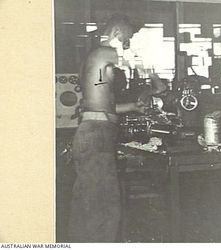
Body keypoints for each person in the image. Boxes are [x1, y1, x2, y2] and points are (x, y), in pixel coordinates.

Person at [68, 14, 166, 242]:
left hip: (95, 132)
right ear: (117, 34)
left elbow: (103, 104)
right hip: (96, 135)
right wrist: (157, 82)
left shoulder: (97, 60)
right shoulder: (104, 53)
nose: (128, 44)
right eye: (127, 39)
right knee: (105, 206)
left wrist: (134, 105)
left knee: (90, 204)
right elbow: (139, 63)